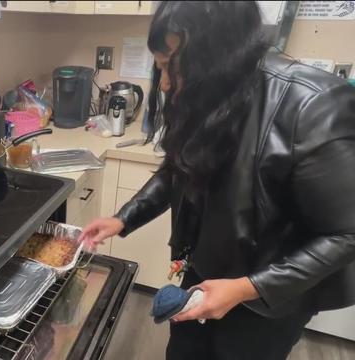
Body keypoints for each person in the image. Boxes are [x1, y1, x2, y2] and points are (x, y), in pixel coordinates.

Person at [79, 1, 355, 359]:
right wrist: (123, 218)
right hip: (205, 274)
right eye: (159, 67)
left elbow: (346, 234)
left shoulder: (314, 105)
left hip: (268, 298)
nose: (163, 83)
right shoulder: (209, 92)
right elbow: (180, 168)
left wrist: (245, 288)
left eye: (171, 67)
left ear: (217, 53)